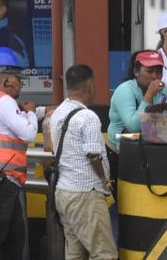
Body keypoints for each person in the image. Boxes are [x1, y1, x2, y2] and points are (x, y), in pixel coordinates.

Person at [0, 46, 47, 260]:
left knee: (13, 238)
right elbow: (29, 133)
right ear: (8, 81)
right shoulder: (4, 101)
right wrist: (31, 112)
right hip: (2, 180)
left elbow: (9, 124)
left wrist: (36, 111)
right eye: (20, 79)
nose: (21, 84)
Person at [50, 65, 116, 260]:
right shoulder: (88, 117)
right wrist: (105, 180)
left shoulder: (58, 113)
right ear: (90, 87)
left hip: (64, 193)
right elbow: (93, 155)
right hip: (86, 193)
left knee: (76, 253)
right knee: (104, 254)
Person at [107, 50, 167, 150]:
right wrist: (149, 95)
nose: (155, 76)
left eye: (159, 72)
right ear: (136, 72)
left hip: (147, 147)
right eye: (149, 71)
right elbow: (134, 127)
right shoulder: (125, 90)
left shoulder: (163, 89)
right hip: (120, 148)